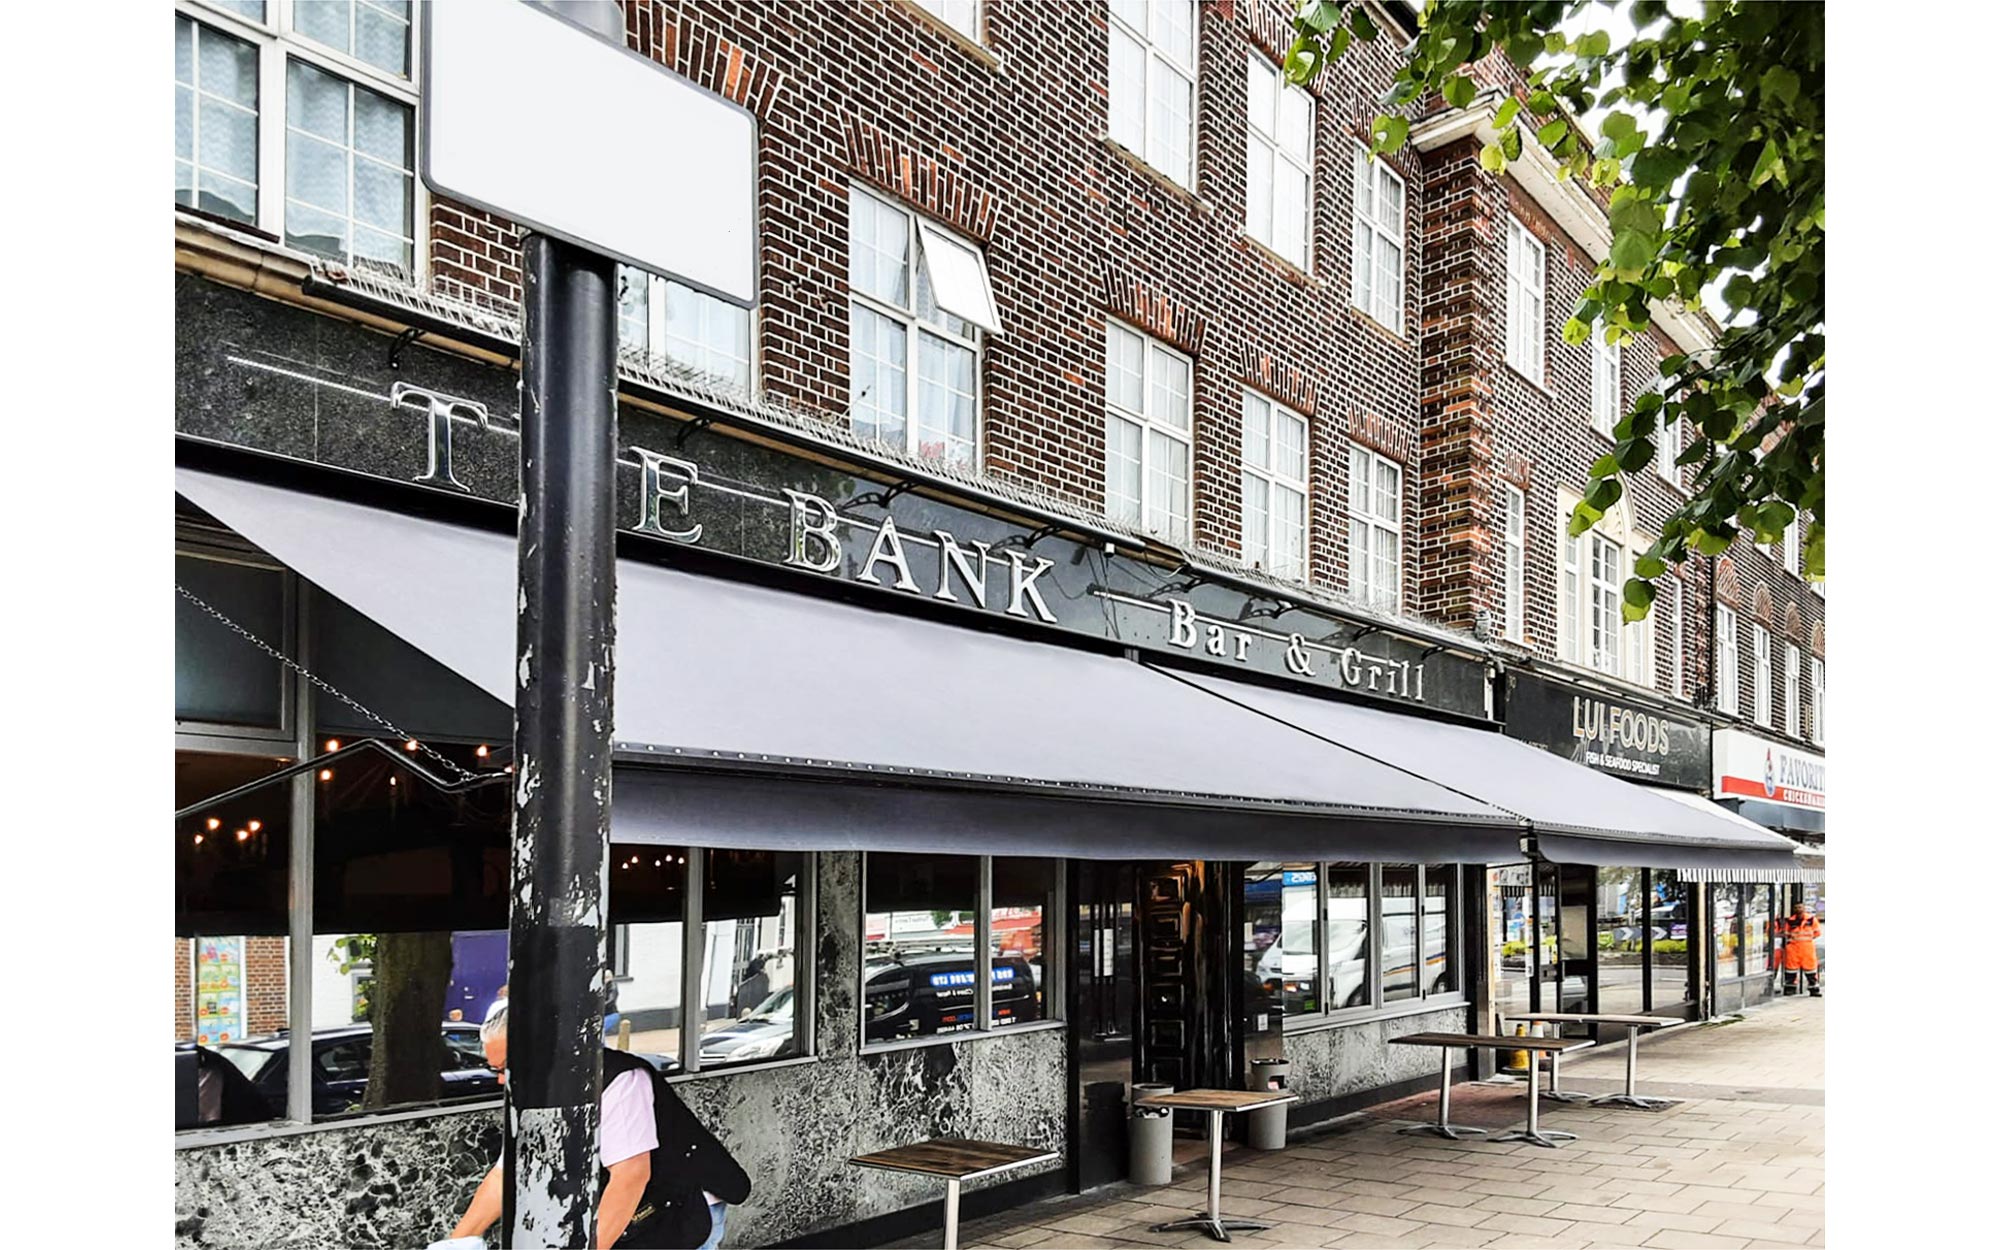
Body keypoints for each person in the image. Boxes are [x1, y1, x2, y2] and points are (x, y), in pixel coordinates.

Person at [446, 1005, 750, 1248]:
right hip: (632, 1214)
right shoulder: (530, 1094)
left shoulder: (618, 1081)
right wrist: (455, 1243)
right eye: (493, 1069)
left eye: (505, 1069)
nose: (500, 1080)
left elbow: (630, 1177)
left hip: (685, 1207)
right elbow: (507, 1172)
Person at [1775, 900, 1822, 996]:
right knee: (1790, 969)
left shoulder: (1811, 920)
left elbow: (1817, 933)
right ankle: (1790, 988)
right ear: (1793, 909)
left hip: (1807, 947)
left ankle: (1814, 989)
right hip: (1793, 947)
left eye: (1800, 907)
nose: (1798, 909)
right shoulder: (1790, 921)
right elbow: (1785, 933)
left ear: (1804, 908)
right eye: (1796, 908)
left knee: (1811, 969)